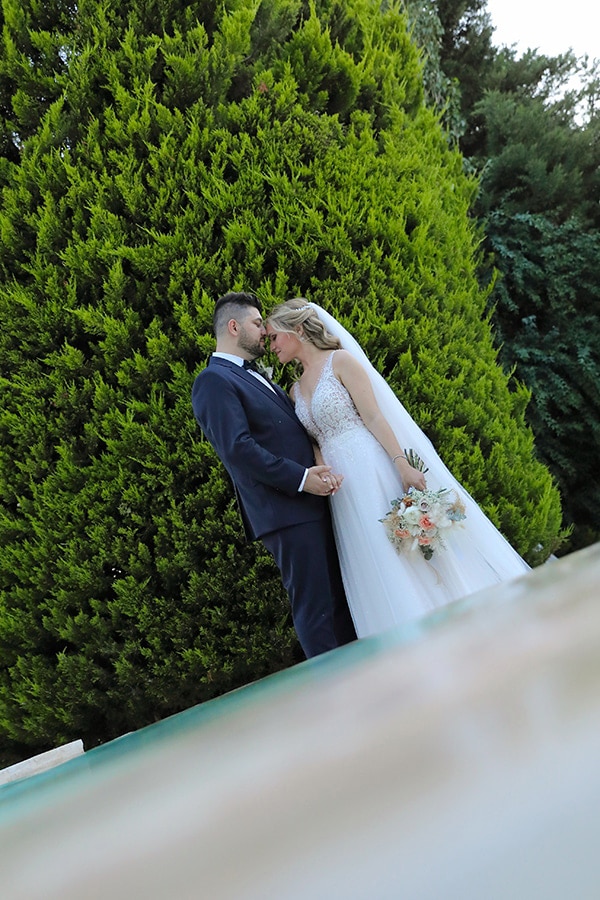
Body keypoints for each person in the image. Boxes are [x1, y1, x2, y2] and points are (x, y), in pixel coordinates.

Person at [265, 298, 530, 639]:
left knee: (406, 547)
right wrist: (321, 466)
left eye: (275, 337)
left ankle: (463, 624)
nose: (271, 346)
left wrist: (402, 464)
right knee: (374, 557)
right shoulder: (294, 390)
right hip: (342, 489)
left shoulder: (340, 362)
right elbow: (314, 438)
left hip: (372, 467)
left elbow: (374, 416)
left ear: (297, 329)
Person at [191, 291, 357, 658]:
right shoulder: (213, 380)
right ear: (233, 327)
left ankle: (358, 675)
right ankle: (336, 686)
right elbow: (238, 449)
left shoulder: (251, 375)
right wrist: (301, 478)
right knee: (316, 607)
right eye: (256, 323)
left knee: (337, 600)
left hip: (308, 503)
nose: (264, 331)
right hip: (285, 510)